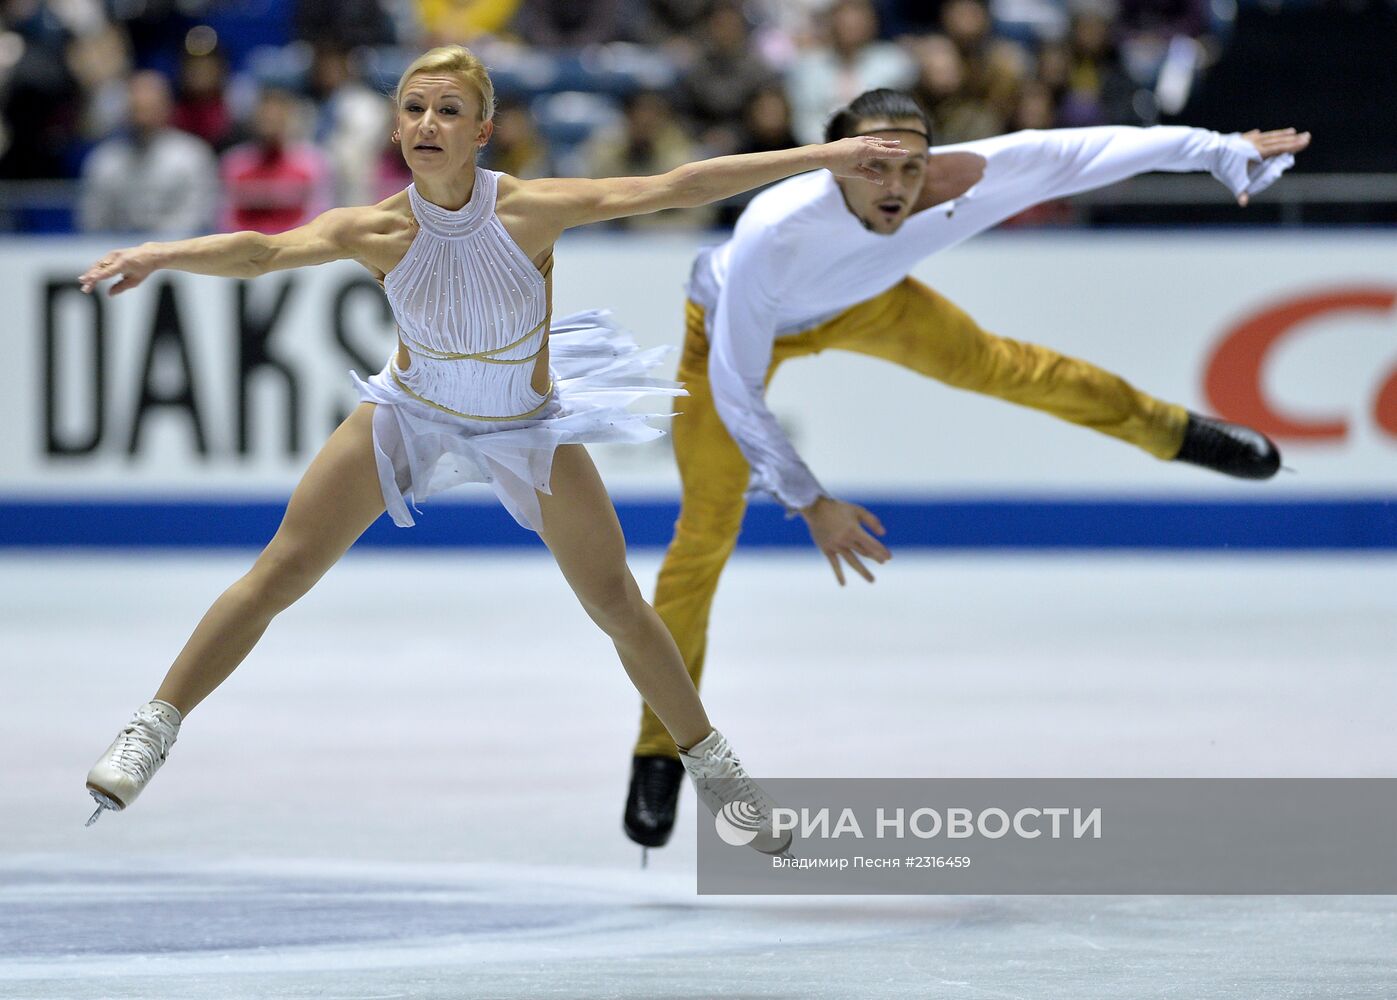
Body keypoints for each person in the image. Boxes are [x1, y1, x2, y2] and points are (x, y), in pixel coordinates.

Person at [79, 45, 908, 855]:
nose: (426, 123)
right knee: (280, 570)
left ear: (482, 132)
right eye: (412, 109)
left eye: (447, 110)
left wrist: (827, 154)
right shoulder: (374, 227)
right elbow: (260, 251)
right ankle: (151, 730)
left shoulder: (529, 209)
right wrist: (161, 253)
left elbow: (678, 184)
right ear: (396, 129)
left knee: (616, 601)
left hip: (524, 423)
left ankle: (715, 769)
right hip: (413, 411)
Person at [622, 87, 1311, 848]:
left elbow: (1090, 152)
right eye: (873, 168)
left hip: (869, 303)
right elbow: (735, 386)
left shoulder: (969, 176)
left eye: (910, 168)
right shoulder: (776, 230)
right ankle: (662, 747)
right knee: (704, 535)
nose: (894, 187)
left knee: (1008, 366)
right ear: (834, 166)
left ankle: (1172, 432)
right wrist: (808, 499)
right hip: (726, 331)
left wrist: (1217, 149)